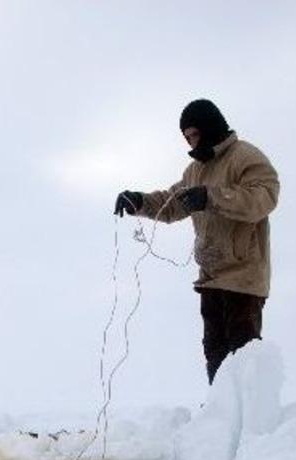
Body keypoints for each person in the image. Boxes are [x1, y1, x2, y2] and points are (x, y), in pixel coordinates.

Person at [114, 99, 280, 384]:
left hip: (244, 278)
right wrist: (138, 201)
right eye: (186, 137)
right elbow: (171, 204)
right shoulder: (194, 171)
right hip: (210, 278)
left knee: (243, 355)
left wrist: (211, 197)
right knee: (215, 354)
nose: (190, 142)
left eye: (193, 134)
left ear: (210, 127)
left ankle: (252, 410)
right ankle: (220, 408)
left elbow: (263, 199)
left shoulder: (246, 157)